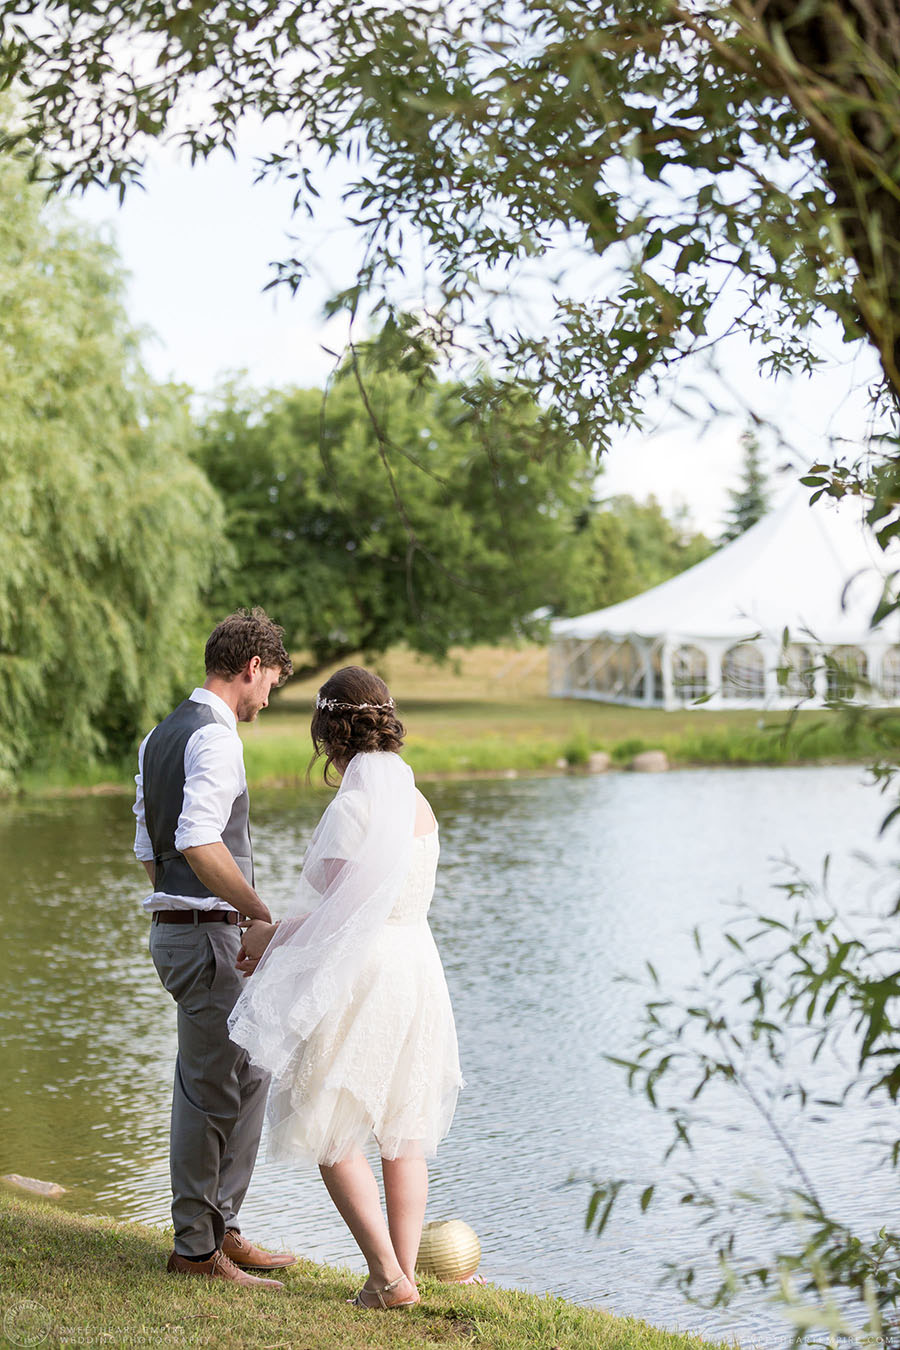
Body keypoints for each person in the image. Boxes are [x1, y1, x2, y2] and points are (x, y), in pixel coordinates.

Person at [227, 666, 463, 1311]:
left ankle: (388, 1278)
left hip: (368, 971)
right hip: (418, 965)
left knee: (329, 1124)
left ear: (331, 737)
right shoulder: (418, 804)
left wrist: (265, 939)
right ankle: (398, 1274)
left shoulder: (354, 807)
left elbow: (337, 916)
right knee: (401, 1128)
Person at [133, 608, 297, 1289]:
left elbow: (149, 846)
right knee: (207, 1092)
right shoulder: (216, 739)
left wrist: (181, 905)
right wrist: (255, 912)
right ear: (251, 667)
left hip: (190, 932)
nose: (269, 698)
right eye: (272, 684)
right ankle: (195, 1249)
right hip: (206, 940)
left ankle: (220, 1224)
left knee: (252, 1068)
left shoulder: (160, 735)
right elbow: (198, 842)